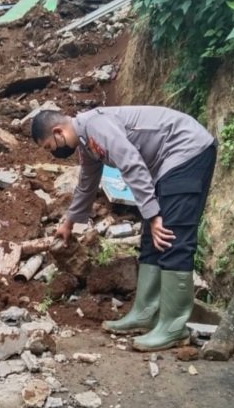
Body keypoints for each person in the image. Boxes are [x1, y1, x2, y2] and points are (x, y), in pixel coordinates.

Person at [31, 106, 217, 351]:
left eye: (49, 147)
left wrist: (152, 213)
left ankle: (174, 327)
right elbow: (87, 183)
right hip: (167, 164)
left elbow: (130, 163)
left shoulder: (96, 126)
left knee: (172, 235)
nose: (53, 152)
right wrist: (68, 222)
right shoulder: (87, 143)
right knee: (151, 238)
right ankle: (145, 314)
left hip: (187, 151)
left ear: (58, 131)